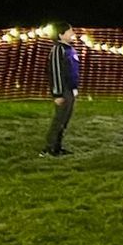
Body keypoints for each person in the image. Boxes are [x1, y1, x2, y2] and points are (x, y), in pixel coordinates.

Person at [43, 22, 80, 156]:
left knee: (64, 120)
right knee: (59, 120)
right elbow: (56, 72)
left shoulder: (69, 49)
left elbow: (72, 72)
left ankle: (58, 147)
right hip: (62, 91)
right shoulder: (58, 49)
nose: (73, 33)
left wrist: (74, 88)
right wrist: (57, 94)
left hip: (70, 90)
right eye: (70, 31)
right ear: (61, 35)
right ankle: (49, 148)